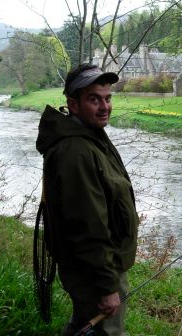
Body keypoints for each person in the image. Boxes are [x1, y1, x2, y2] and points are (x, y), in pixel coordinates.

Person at [36, 63, 139, 335]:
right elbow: (87, 227)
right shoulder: (76, 151)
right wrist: (107, 287)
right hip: (95, 272)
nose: (104, 106)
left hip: (100, 266)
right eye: (94, 99)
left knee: (86, 324)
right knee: (107, 331)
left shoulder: (90, 136)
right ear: (73, 104)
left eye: (107, 98)